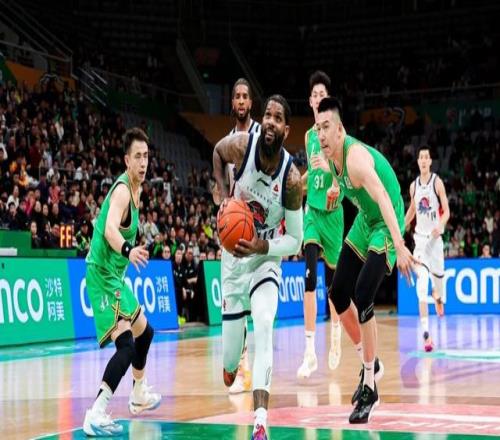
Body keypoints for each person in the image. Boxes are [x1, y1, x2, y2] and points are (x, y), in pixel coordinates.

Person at [315, 97, 417, 424]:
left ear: (341, 130)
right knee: (337, 293)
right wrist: (334, 186)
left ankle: (370, 386)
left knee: (363, 294)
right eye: (318, 129)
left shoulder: (355, 158)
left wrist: (399, 244)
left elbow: (383, 197)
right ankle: (371, 362)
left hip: (386, 221)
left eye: (327, 127)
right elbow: (341, 180)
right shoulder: (329, 157)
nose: (321, 135)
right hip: (364, 220)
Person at [213, 95, 303, 440]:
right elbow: (217, 153)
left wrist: (263, 246)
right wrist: (224, 195)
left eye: (278, 118)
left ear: (286, 130)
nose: (270, 122)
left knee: (264, 322)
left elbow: (294, 240)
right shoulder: (242, 146)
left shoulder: (290, 179)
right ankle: (231, 361)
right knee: (228, 366)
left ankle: (260, 421)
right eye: (267, 115)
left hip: (265, 258)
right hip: (234, 261)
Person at [83, 128, 161, 436]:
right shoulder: (122, 192)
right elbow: (109, 230)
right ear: (126, 160)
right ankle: (96, 412)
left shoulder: (138, 190)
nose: (143, 162)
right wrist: (129, 251)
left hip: (114, 276)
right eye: (137, 157)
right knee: (127, 347)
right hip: (102, 274)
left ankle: (138, 393)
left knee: (146, 333)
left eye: (146, 156)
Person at [297, 70, 344, 379]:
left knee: (335, 288)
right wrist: (294, 183)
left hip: (333, 214)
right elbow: (311, 175)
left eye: (322, 94)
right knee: (310, 278)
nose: (317, 99)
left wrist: (331, 175)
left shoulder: (338, 131)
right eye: (314, 95)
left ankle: (336, 334)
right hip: (313, 212)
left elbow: (342, 169)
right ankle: (310, 351)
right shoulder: (308, 136)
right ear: (310, 101)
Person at [225, 78, 262, 394]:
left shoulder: (262, 135)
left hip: (259, 229)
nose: (240, 100)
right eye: (236, 96)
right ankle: (241, 369)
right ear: (232, 102)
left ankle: (260, 368)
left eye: (245, 96)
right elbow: (225, 189)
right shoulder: (226, 142)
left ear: (251, 103)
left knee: (259, 305)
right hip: (235, 232)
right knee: (235, 303)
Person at [404, 146, 449, 352]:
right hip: (420, 241)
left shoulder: (436, 183)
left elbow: (446, 211)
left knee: (439, 288)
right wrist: (400, 226)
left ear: (430, 162)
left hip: (435, 241)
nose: (423, 160)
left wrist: (441, 225)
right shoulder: (413, 186)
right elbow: (412, 210)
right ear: (418, 162)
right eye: (420, 157)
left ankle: (437, 297)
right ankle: (426, 335)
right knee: (421, 282)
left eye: (426, 157)